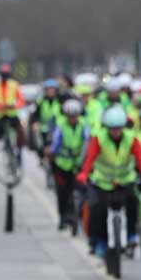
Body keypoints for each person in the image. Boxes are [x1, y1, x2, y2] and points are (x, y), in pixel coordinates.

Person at [75, 105, 141, 256]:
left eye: (119, 128)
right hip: (103, 182)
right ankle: (99, 240)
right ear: (107, 128)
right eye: (112, 129)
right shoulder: (98, 138)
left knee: (133, 202)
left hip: (125, 180)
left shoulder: (132, 138)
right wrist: (84, 174)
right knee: (96, 208)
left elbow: (140, 159)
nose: (116, 132)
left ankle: (131, 235)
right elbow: (90, 159)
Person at [46, 96, 88, 231]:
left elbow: (88, 141)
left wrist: (84, 159)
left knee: (83, 190)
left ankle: (80, 215)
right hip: (63, 164)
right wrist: (51, 154)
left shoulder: (83, 125)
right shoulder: (61, 126)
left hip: (79, 163)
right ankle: (63, 217)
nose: (73, 119)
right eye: (70, 116)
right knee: (63, 192)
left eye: (75, 116)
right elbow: (56, 144)